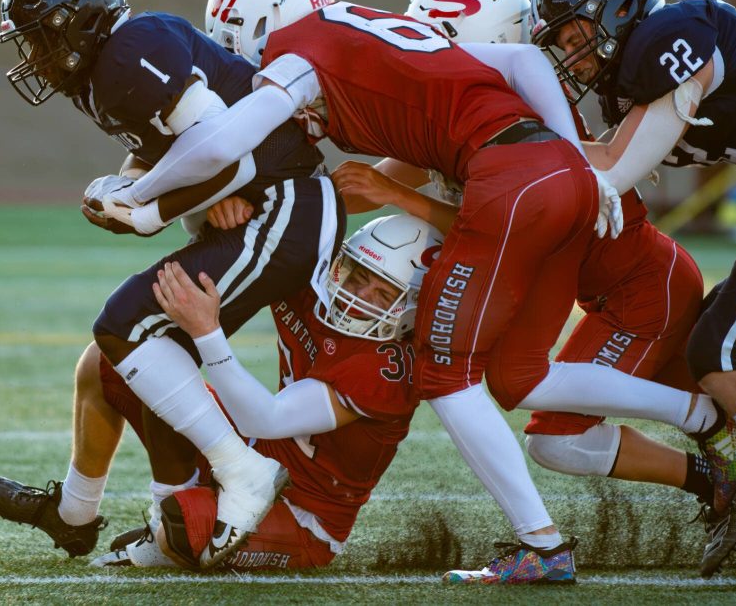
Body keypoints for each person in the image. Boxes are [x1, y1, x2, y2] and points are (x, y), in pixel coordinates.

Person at [99, 0, 736, 583]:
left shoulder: (303, 56)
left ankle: (546, 545)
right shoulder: (373, 39)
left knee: (447, 374)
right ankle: (702, 431)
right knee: (516, 380)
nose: (251, 81)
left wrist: (139, 196)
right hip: (535, 191)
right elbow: (509, 76)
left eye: (248, 66)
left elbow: (227, 140)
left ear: (262, 35)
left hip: (556, 217)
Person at [0, 0, 342, 568]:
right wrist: (136, 188)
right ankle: (82, 515)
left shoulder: (130, 48)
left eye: (40, 39)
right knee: (115, 362)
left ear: (79, 20)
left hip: (289, 205)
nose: (34, 57)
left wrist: (148, 208)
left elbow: (227, 152)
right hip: (271, 203)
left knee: (124, 325)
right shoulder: (101, 74)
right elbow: (171, 155)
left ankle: (237, 474)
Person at [531, 0, 736, 587]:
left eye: (578, 34)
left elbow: (614, 167)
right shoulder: (640, 82)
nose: (573, 53)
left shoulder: (672, 32)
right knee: (724, 328)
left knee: (721, 349)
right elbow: (605, 156)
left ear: (621, 9)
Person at [87, 215, 487, 574]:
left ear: (415, 308)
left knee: (183, 532)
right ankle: (109, 507)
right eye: (358, 275)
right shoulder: (313, 292)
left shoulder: (385, 369)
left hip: (304, 514)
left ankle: (178, 516)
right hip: (257, 450)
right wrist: (218, 209)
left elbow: (265, 418)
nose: (357, 296)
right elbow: (242, 245)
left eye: (384, 295)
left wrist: (207, 333)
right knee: (129, 365)